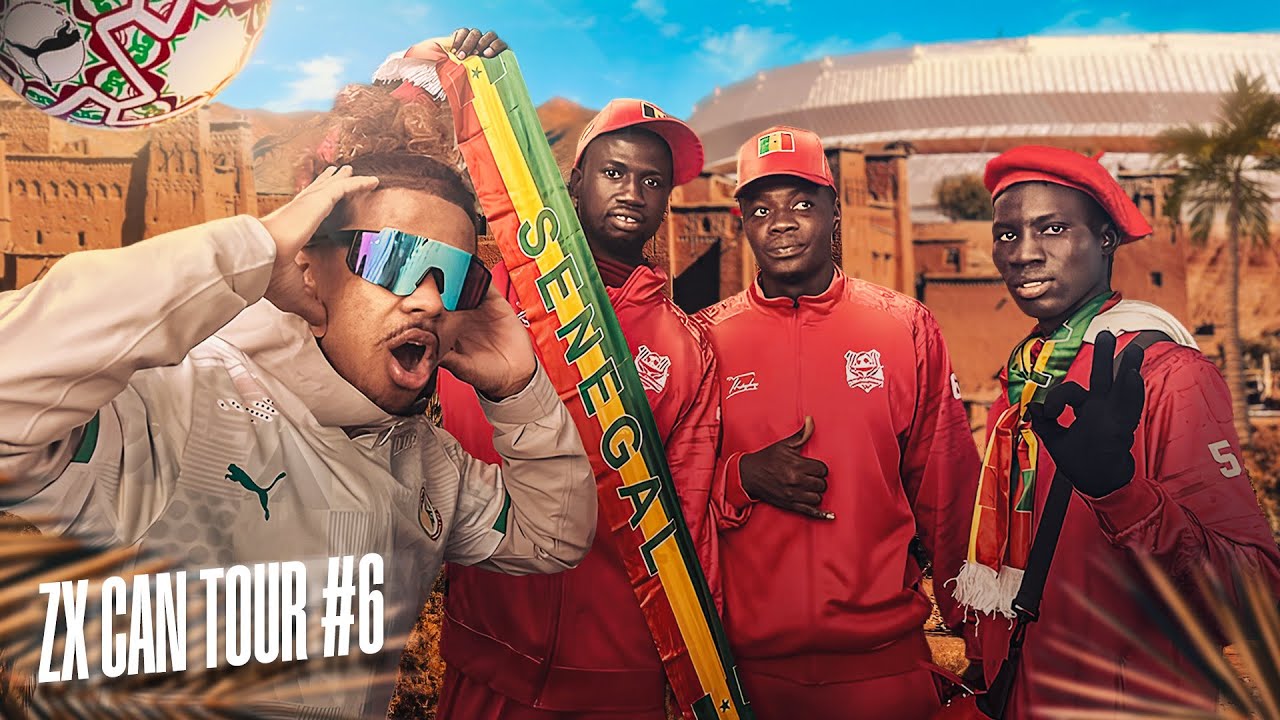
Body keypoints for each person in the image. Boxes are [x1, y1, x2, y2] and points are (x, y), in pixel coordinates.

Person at [0, 68, 595, 717]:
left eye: (451, 276)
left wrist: (519, 391)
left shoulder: (429, 462)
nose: (426, 298)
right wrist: (247, 252)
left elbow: (551, 536)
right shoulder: (178, 404)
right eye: (391, 259)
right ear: (308, 263)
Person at [949, 145, 1280, 717]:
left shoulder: (1167, 375)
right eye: (1007, 235)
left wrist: (1121, 492)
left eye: (1053, 228)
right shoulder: (1028, 376)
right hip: (1027, 687)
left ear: (1105, 238)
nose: (1024, 254)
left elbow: (1254, 597)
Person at [430, 97, 719, 720]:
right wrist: (433, 87)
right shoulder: (486, 291)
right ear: (576, 181)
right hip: (487, 656)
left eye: (652, 181)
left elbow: (689, 519)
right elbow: (393, 202)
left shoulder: (686, 344)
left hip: (616, 671)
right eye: (615, 173)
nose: (634, 192)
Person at [695, 125, 981, 720]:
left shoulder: (903, 327)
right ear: (741, 221)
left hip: (882, 670)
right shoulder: (704, 339)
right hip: (745, 677)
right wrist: (741, 477)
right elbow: (669, 488)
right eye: (761, 208)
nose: (782, 222)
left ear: (835, 210)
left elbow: (948, 495)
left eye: (802, 203)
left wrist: (978, 632)